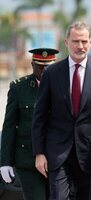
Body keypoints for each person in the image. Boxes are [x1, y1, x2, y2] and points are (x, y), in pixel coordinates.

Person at [31, 21, 91, 200]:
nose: (80, 46)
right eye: (76, 41)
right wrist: (39, 153)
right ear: (66, 42)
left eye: (84, 41)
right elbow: (39, 116)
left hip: (90, 155)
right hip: (57, 154)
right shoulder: (51, 73)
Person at [0, 48, 59, 200]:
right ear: (32, 65)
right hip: (28, 160)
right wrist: (5, 162)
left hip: (57, 159)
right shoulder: (19, 88)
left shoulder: (64, 87)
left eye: (49, 66)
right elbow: (9, 126)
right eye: (40, 66)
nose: (45, 70)